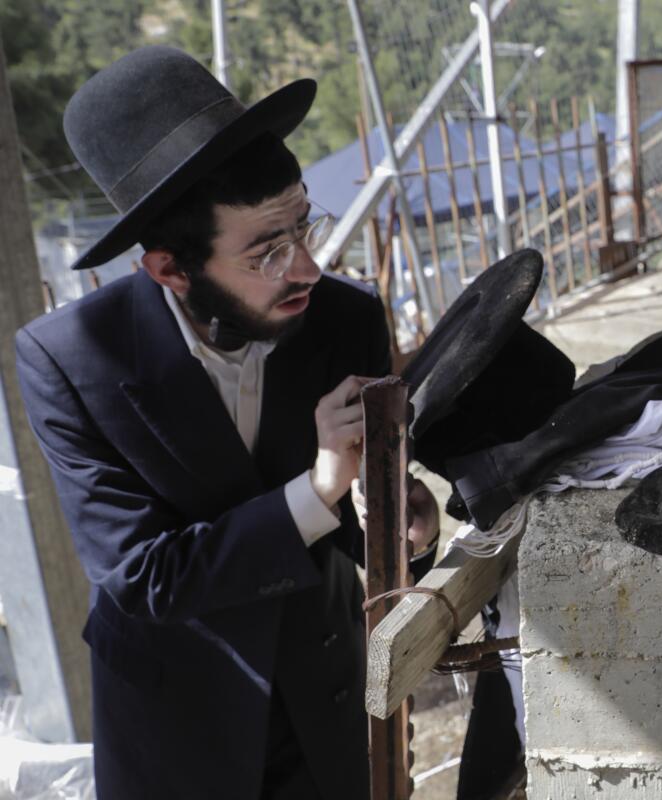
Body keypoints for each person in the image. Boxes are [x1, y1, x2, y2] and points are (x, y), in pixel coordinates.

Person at [15, 46, 439, 799]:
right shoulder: (70, 361)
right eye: (270, 251)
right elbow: (145, 576)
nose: (306, 268)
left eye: (304, 229)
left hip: (327, 701)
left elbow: (360, 532)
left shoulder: (345, 318)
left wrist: (402, 524)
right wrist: (316, 490)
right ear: (170, 270)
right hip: (177, 728)